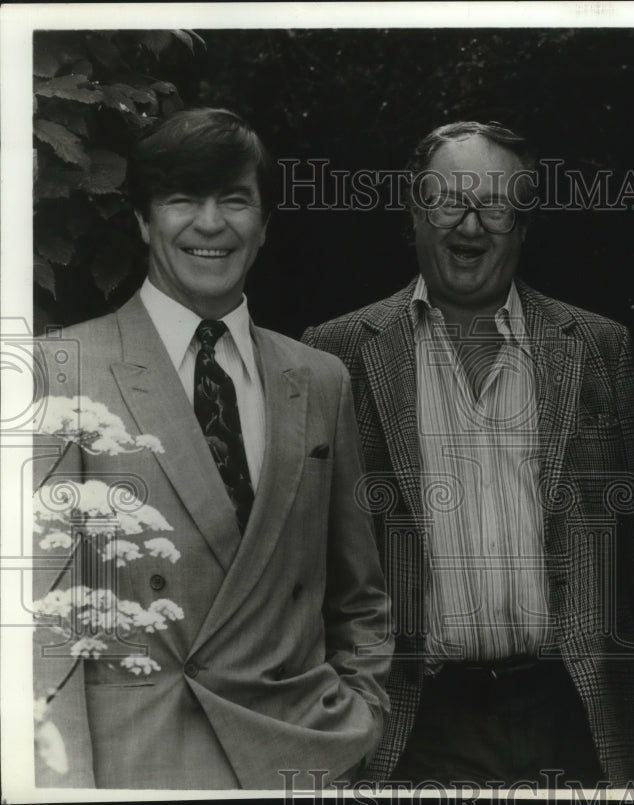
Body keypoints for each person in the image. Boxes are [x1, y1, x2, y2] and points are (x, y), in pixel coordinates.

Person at [302, 121, 634, 786]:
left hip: (572, 713)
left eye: (496, 204)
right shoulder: (337, 352)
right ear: (414, 214)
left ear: (525, 225)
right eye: (449, 200)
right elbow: (310, 566)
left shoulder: (599, 346)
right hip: (410, 723)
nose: (471, 224)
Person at [32, 108, 391, 789]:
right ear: (143, 221)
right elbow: (43, 629)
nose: (210, 222)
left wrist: (360, 720)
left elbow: (358, 598)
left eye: (234, 199)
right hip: (138, 767)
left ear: (263, 225)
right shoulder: (62, 368)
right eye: (181, 199)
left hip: (297, 761)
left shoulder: (319, 379)